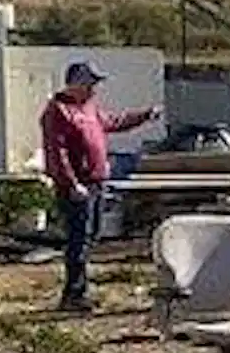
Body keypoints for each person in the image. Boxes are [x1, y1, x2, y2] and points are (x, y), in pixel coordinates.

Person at [38, 61, 158, 313]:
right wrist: (71, 183)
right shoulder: (58, 111)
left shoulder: (89, 108)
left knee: (92, 235)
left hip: (96, 181)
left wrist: (144, 115)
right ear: (74, 83)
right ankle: (73, 294)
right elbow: (56, 152)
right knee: (78, 239)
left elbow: (114, 121)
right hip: (77, 186)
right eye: (89, 83)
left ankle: (81, 289)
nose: (93, 88)